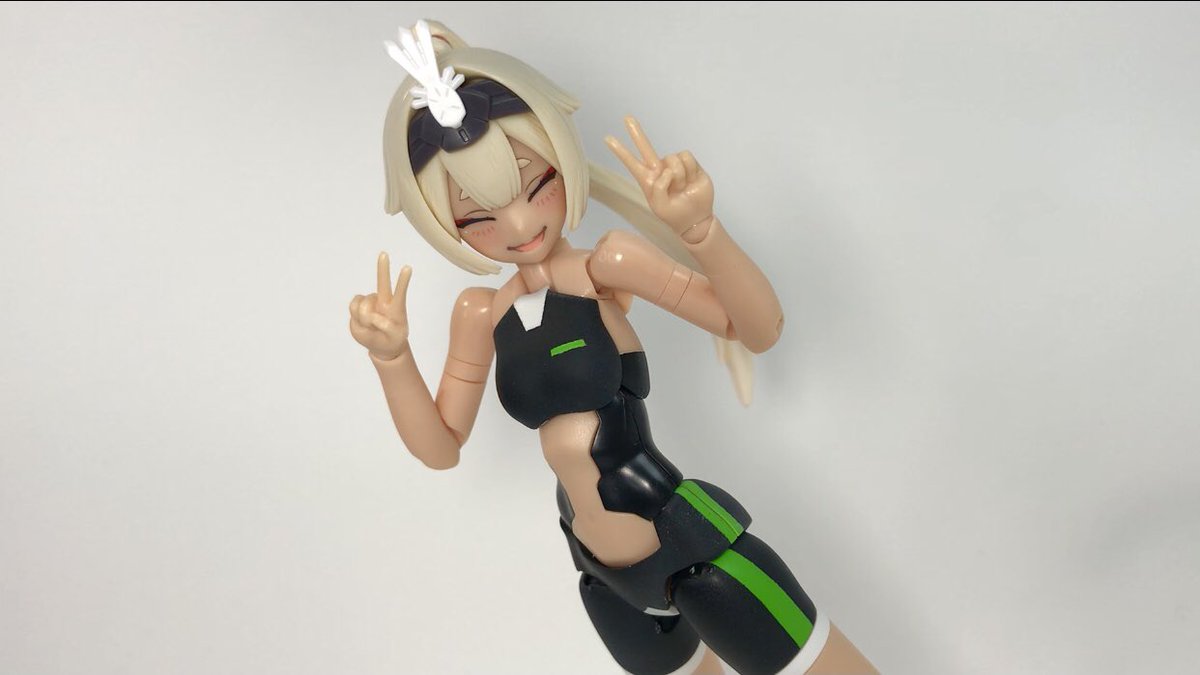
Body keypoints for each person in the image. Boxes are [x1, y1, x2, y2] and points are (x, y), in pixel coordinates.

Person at [348, 20, 877, 675]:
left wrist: (703, 232)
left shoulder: (607, 266)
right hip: (602, 570)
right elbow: (441, 447)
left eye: (535, 184)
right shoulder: (481, 313)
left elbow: (756, 328)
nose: (519, 222)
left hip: (687, 543)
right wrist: (392, 360)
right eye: (478, 215)